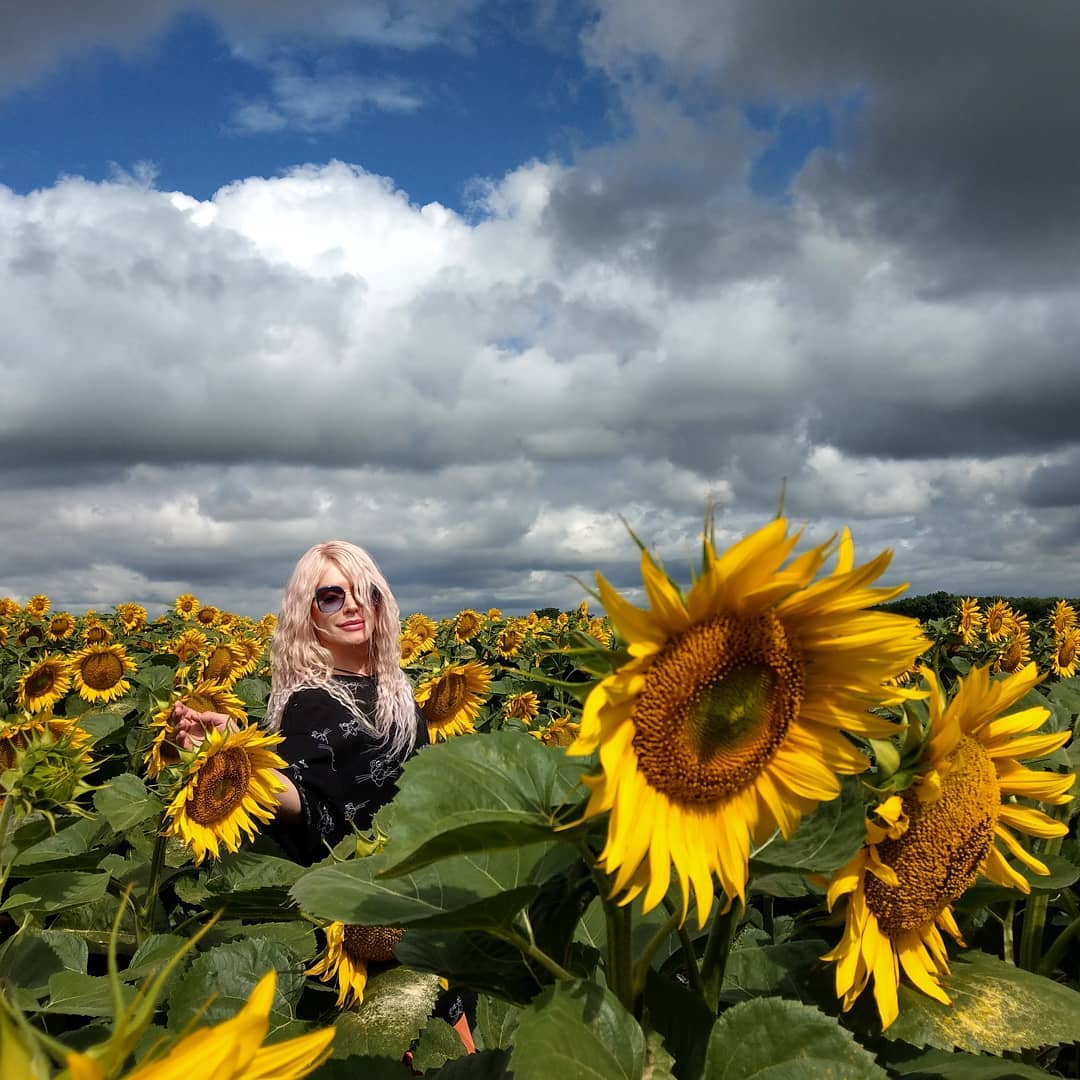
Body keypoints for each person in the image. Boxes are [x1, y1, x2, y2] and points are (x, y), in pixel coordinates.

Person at [172, 540, 475, 1052]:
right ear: (306, 616)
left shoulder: (396, 690)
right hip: (370, 922)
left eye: (365, 592)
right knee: (430, 1053)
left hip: (430, 904)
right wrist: (233, 763)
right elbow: (309, 799)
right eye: (331, 597)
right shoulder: (309, 700)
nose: (353, 605)